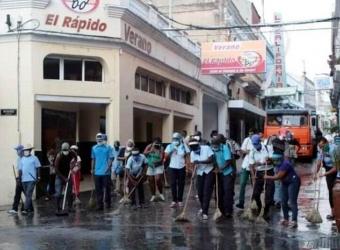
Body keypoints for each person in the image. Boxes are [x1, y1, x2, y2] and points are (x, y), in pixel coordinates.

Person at [264, 153, 301, 228]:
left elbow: (278, 176)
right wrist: (267, 159)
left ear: (279, 159)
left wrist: (267, 177)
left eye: (275, 160)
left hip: (293, 182)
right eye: (274, 160)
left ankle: (294, 221)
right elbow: (270, 161)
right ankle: (286, 219)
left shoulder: (285, 164)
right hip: (285, 182)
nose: (274, 161)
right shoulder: (276, 162)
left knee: (292, 201)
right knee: (283, 201)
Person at [249, 134, 275, 220]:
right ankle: (260, 208)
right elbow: (251, 165)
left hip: (269, 172)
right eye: (254, 144)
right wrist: (253, 176)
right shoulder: (252, 151)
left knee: (268, 195)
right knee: (256, 194)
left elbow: (273, 160)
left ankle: (266, 211)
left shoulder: (268, 148)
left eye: (256, 144)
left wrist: (269, 160)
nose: (255, 146)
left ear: (260, 142)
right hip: (258, 173)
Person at [189, 139, 214, 220]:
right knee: (200, 192)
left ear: (198, 145)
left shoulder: (206, 148)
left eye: (195, 147)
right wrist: (193, 173)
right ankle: (203, 207)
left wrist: (200, 161)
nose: (194, 149)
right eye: (192, 148)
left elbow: (211, 159)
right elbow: (193, 164)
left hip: (209, 171)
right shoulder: (192, 153)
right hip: (200, 173)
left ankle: (205, 212)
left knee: (207, 191)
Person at [164, 132, 190, 208]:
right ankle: (174, 200)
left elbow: (188, 156)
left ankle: (180, 200)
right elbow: (165, 156)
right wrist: (171, 150)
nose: (175, 140)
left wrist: (188, 167)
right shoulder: (170, 146)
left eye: (176, 139)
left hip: (181, 167)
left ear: (180, 139)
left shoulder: (184, 146)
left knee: (181, 184)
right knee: (173, 184)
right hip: (172, 167)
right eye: (174, 139)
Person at [211, 136, 234, 218]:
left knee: (227, 191)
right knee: (218, 191)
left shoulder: (224, 148)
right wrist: (215, 167)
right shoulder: (212, 148)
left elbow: (228, 161)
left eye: (216, 145)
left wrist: (221, 168)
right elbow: (212, 159)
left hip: (226, 172)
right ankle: (220, 209)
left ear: (219, 143)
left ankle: (228, 211)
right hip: (217, 172)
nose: (214, 146)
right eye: (213, 145)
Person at [314, 136, 337, 220]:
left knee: (336, 191)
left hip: (336, 170)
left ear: (327, 142)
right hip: (328, 170)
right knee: (331, 191)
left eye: (322, 146)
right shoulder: (321, 149)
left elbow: (336, 168)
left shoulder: (333, 150)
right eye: (320, 146)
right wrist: (315, 173)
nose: (321, 148)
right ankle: (333, 212)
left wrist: (324, 174)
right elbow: (319, 162)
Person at [91, 133, 114, 211]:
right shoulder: (94, 148)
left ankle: (108, 203)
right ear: (96, 139)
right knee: (98, 189)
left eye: (101, 139)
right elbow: (93, 159)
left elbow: (111, 158)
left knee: (107, 188)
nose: (99, 140)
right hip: (97, 172)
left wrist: (109, 167)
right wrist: (92, 169)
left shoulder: (108, 148)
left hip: (106, 172)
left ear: (103, 139)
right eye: (98, 139)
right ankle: (99, 204)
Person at [18, 144, 41, 215]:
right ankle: (31, 209)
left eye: (27, 150)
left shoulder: (35, 158)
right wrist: (19, 178)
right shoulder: (22, 159)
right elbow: (20, 170)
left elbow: (38, 168)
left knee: (28, 194)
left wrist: (39, 176)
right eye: (25, 150)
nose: (25, 151)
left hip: (31, 179)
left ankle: (25, 209)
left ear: (30, 151)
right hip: (23, 180)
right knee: (27, 195)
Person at [236, 128, 255, 209]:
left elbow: (256, 151)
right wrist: (246, 151)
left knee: (254, 184)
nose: (250, 135)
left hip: (254, 166)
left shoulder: (258, 140)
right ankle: (241, 202)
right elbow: (242, 151)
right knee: (242, 183)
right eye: (249, 134)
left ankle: (254, 202)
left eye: (252, 134)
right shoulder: (246, 140)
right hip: (246, 164)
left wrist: (248, 151)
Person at [54, 142, 77, 213]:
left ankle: (70, 207)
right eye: (64, 150)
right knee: (58, 193)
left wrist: (73, 164)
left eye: (66, 150)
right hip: (59, 175)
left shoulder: (72, 153)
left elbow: (75, 158)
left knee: (69, 192)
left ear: (69, 149)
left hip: (68, 174)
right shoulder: (59, 156)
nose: (65, 152)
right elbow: (56, 169)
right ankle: (58, 208)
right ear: (61, 150)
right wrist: (64, 178)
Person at [8, 145, 24, 214]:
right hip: (19, 179)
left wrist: (19, 178)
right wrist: (17, 178)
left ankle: (29, 208)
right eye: (17, 150)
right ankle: (15, 209)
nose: (17, 152)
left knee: (27, 194)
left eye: (18, 150)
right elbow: (18, 169)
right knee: (17, 194)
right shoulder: (18, 159)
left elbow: (23, 170)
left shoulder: (25, 159)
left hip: (24, 179)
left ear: (21, 150)